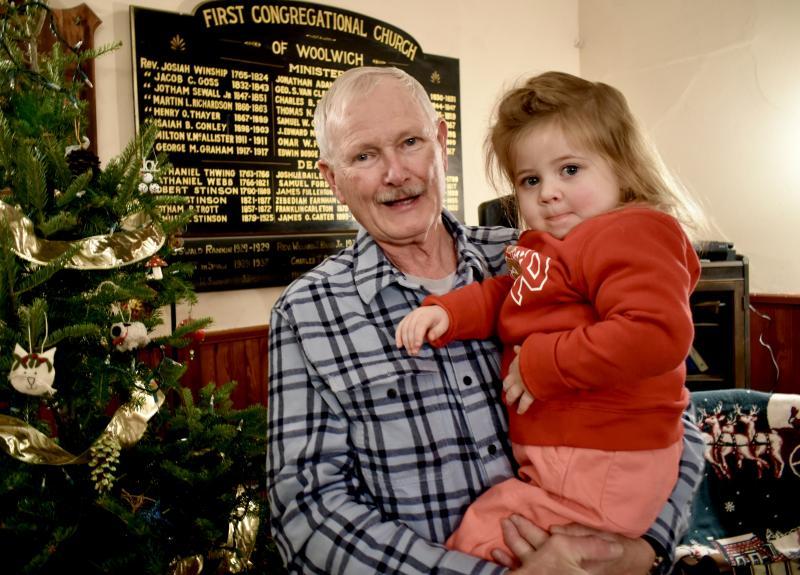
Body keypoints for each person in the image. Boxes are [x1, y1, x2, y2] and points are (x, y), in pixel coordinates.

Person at [266, 66, 705, 574]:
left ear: (440, 144)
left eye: (410, 142)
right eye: (365, 156)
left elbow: (674, 414)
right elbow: (307, 514)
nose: (395, 173)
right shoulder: (307, 312)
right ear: (333, 180)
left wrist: (640, 550)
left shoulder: (533, 255)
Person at [395, 70, 706, 564]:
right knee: (495, 534)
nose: (548, 193)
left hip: (607, 457)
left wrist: (545, 365)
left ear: (623, 169)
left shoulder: (632, 232)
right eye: (530, 180)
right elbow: (507, 296)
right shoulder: (551, 247)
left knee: (484, 540)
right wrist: (448, 313)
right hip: (574, 459)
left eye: (570, 170)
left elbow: (656, 334)